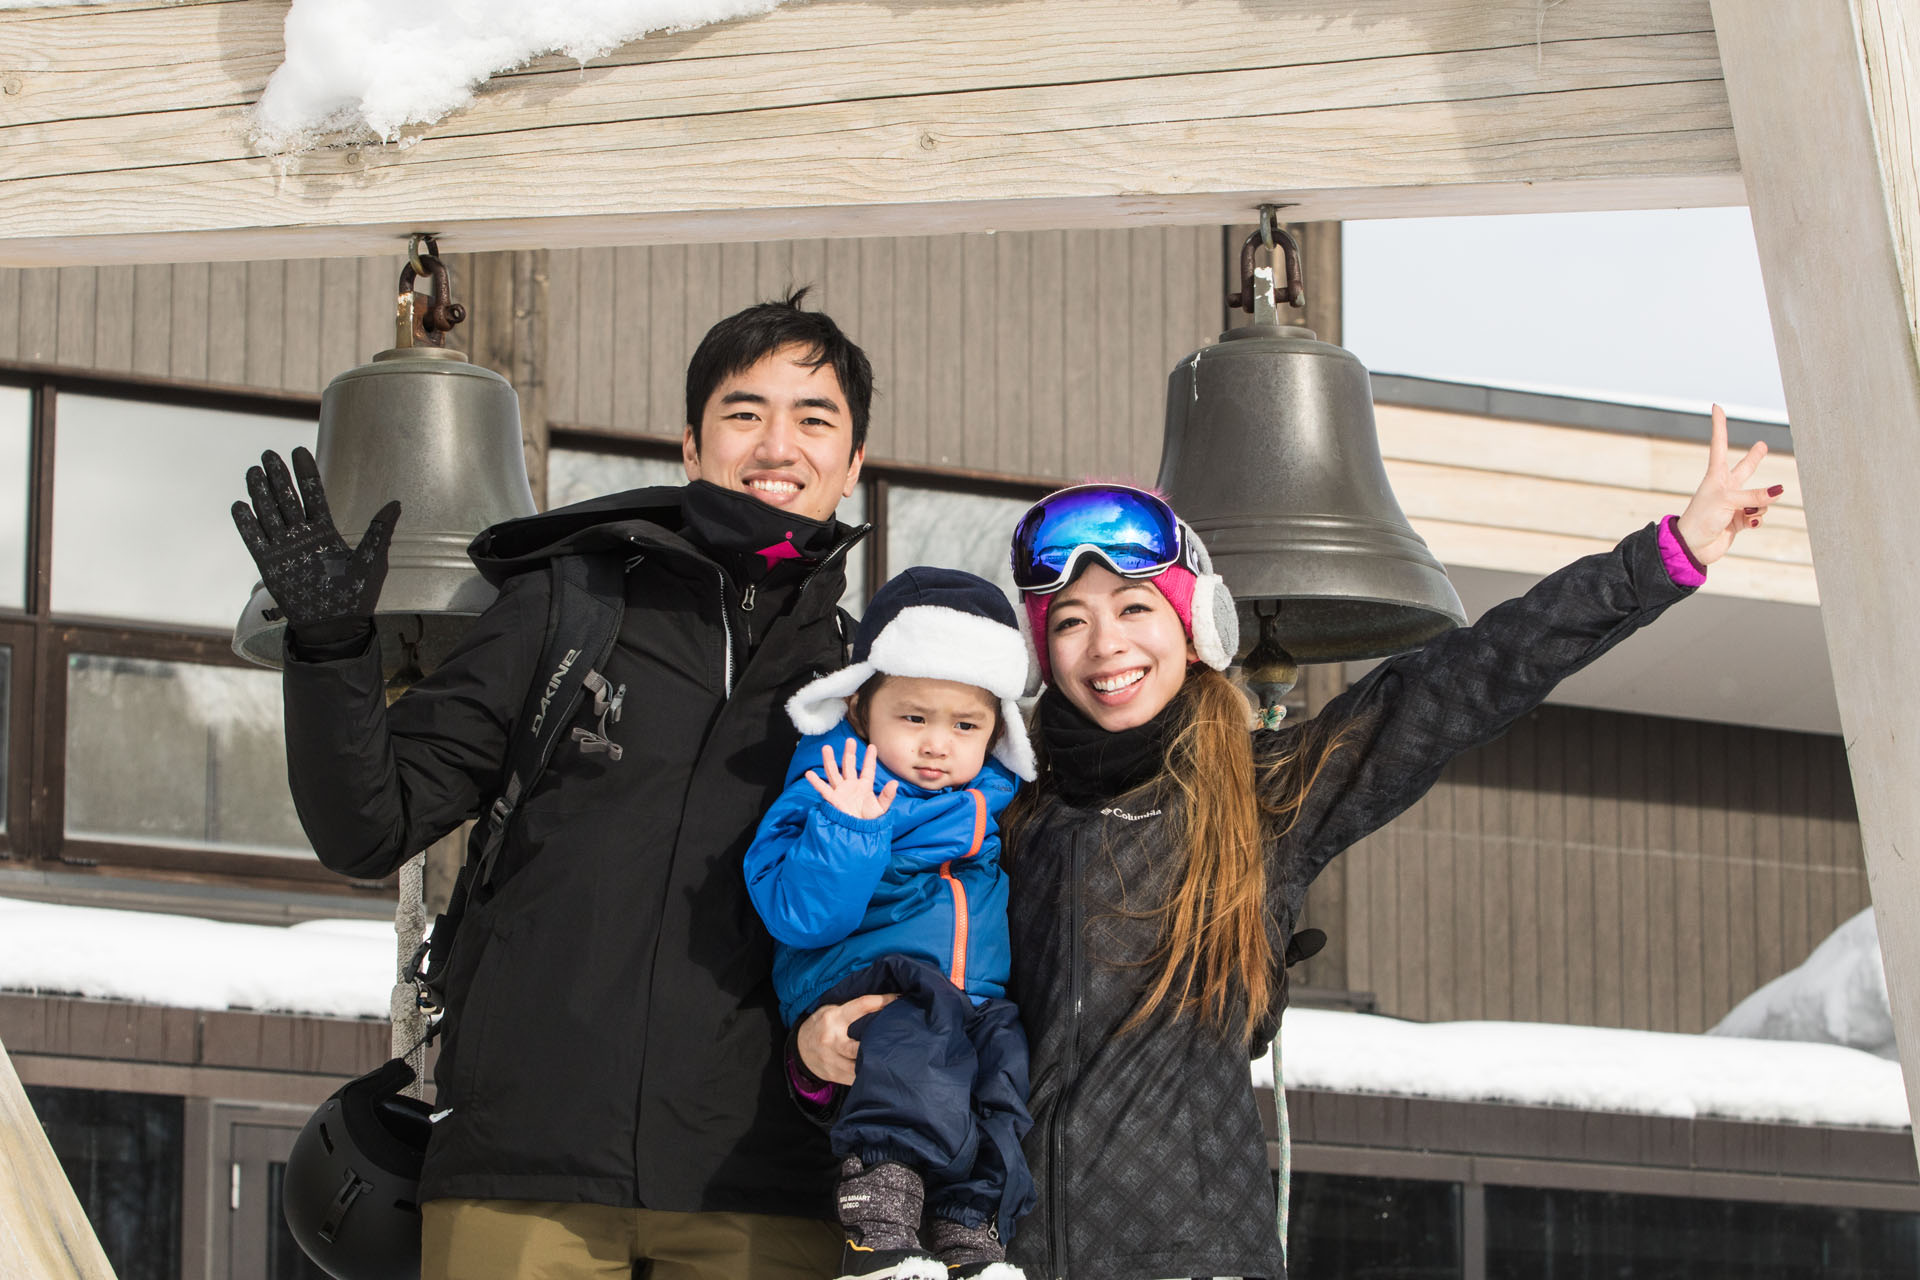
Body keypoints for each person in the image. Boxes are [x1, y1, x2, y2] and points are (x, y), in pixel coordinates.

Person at [797, 408, 1785, 1279]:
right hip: (1003, 1254)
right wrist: (818, 1046)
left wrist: (1668, 553)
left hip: (1196, 1253)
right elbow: (883, 967)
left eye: (1136, 608)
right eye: (1072, 622)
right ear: (1040, 649)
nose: (1107, 648)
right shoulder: (1000, 816)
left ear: (1196, 627)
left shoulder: (1265, 794)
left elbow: (1467, 677)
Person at [232, 290, 874, 1279]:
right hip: (521, 1177)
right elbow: (369, 824)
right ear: (691, 448)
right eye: (744, 413)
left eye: (813, 417)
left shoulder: (874, 679)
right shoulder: (571, 602)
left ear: (854, 462)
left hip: (766, 1193)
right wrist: (330, 647)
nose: (777, 443)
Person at [745, 567, 1039, 1280]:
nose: (938, 745)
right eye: (914, 718)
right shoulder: (835, 786)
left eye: (964, 725)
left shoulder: (992, 802)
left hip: (970, 999)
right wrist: (850, 831)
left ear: (995, 731)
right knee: (914, 1035)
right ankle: (881, 1221)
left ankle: (970, 1229)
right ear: (859, 712)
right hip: (868, 981)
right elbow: (799, 913)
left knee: (1005, 1068)